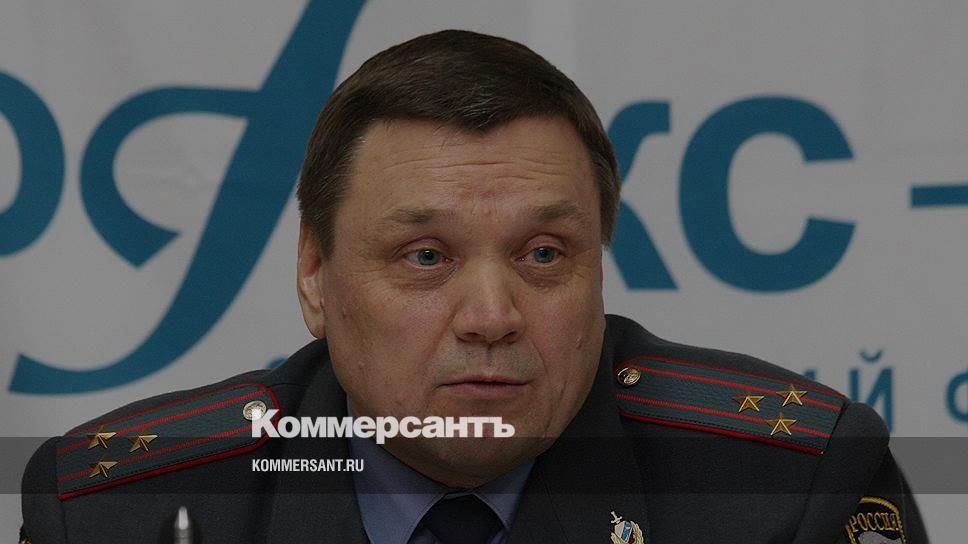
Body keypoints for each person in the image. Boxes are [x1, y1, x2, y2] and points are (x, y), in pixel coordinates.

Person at [20, 30, 927, 544]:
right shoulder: (115, 513)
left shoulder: (792, 490)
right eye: (426, 257)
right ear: (315, 275)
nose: (492, 318)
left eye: (544, 255)